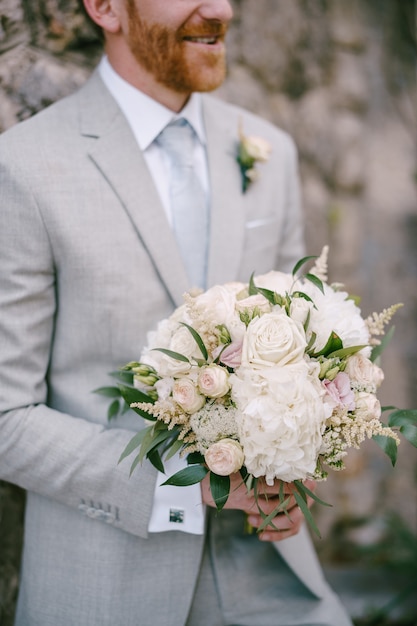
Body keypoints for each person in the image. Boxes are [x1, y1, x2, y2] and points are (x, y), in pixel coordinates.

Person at [0, 1, 353, 624]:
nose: (220, 7)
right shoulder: (25, 167)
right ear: (105, 7)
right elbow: (5, 417)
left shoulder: (269, 153)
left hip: (275, 575)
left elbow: (304, 349)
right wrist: (186, 487)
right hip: (106, 586)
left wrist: (303, 450)